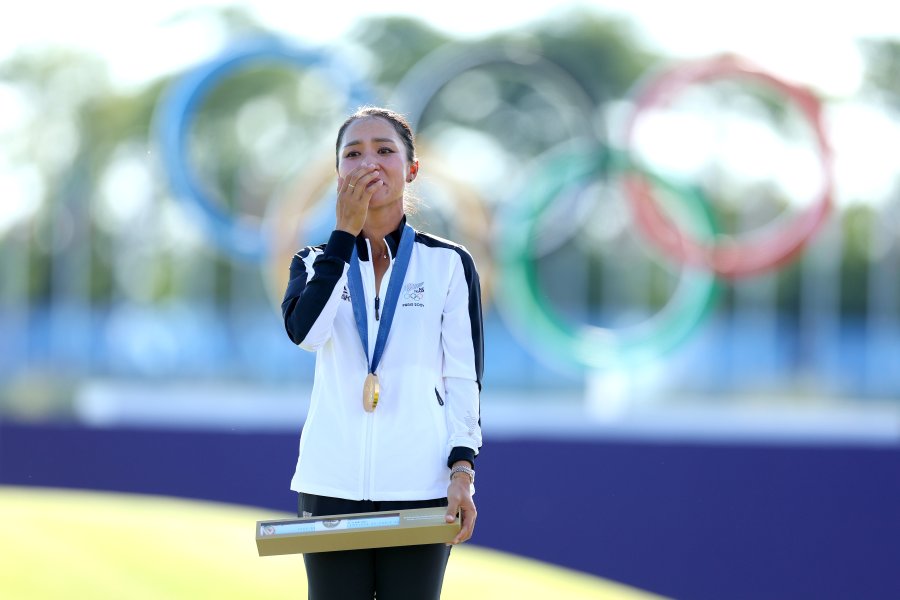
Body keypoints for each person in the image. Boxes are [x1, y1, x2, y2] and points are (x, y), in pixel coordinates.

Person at [281, 106, 484, 599]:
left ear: (411, 169)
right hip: (330, 484)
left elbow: (464, 376)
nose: (369, 162)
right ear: (338, 174)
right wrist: (343, 237)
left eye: (384, 150)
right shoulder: (312, 262)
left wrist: (462, 470)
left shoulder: (449, 265)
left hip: (421, 485)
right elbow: (306, 333)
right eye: (353, 153)